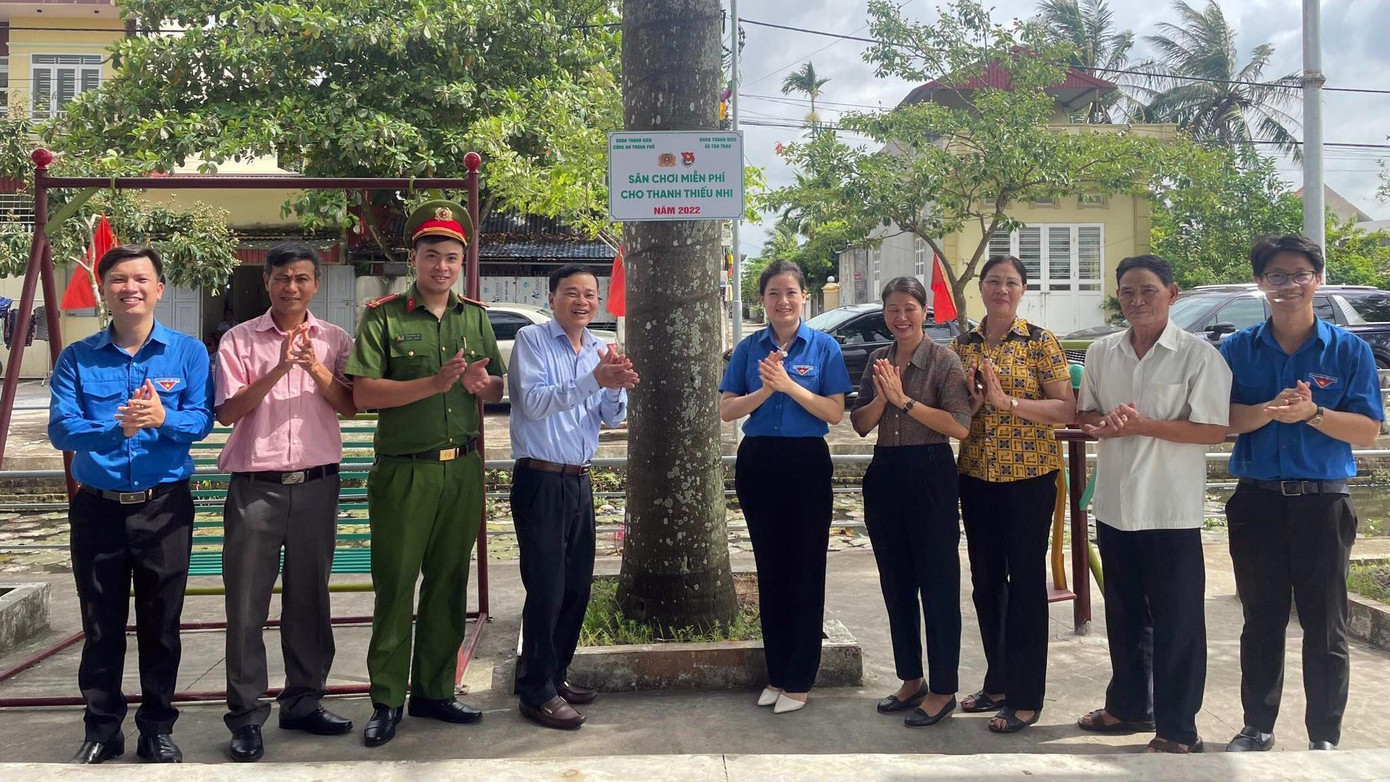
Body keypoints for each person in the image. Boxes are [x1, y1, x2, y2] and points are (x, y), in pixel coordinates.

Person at [345, 200, 506, 747]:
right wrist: (433, 385)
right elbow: (363, 394)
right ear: (413, 258)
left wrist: (482, 387)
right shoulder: (384, 316)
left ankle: (435, 691)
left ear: (463, 262)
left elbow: (496, 387)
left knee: (447, 584)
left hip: (460, 469)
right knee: (395, 587)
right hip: (403, 473)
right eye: (432, 255)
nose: (442, 266)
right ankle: (387, 698)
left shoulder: (475, 316)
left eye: (452, 257)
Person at [49, 245, 213, 764]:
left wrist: (162, 418)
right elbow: (60, 428)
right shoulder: (77, 357)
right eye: (118, 279)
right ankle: (102, 728)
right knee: (101, 622)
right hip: (98, 508)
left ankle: (156, 727)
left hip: (164, 506)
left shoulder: (187, 353)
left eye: (142, 279)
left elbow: (203, 421)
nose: (130, 288)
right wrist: (115, 426)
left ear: (159, 289)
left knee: (162, 624)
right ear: (105, 290)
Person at [1220, 235, 1383, 753]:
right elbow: (1220, 422)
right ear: (1260, 284)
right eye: (1275, 276)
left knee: (1325, 625)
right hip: (1257, 501)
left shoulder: (1348, 349)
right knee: (1260, 619)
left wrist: (1312, 412)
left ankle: (1324, 738)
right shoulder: (1238, 349)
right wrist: (1269, 408)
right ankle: (1257, 725)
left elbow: (1367, 431)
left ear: (1317, 279)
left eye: (1298, 274)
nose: (1288, 285)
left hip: (1323, 503)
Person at [1074, 254, 1232, 754]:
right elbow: (1087, 413)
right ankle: (1127, 708)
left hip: (1170, 509)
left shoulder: (1197, 356)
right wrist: (1101, 423)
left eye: (1148, 291)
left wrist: (1144, 425)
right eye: (1127, 292)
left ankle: (1178, 727)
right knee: (1122, 614)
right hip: (1115, 504)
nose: (1137, 301)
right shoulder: (1102, 352)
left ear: (1172, 293)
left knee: (1177, 621)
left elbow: (1212, 429)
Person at [214, 242, 358, 761]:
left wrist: (313, 368)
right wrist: (277, 369)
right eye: (281, 278)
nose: (291, 287)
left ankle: (304, 701)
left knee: (309, 600)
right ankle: (247, 715)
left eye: (301, 278)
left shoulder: (336, 339)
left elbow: (350, 404)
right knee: (247, 603)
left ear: (316, 284)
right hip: (257, 487)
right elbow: (228, 412)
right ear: (267, 283)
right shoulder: (239, 339)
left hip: (317, 484)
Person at [718, 260, 853, 714]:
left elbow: (834, 414)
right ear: (763, 300)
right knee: (770, 570)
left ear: (803, 298)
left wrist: (789, 385)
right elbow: (728, 411)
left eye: (791, 292)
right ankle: (776, 674)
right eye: (774, 293)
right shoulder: (748, 348)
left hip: (806, 462)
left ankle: (799, 679)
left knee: (806, 569)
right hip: (759, 461)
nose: (783, 301)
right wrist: (766, 389)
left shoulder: (824, 347)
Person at [950, 255, 1076, 734]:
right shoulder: (962, 346)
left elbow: (1065, 409)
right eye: (993, 282)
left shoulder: (1040, 341)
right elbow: (956, 412)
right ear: (981, 289)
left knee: (1025, 585)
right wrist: (978, 404)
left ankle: (1026, 697)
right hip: (977, 475)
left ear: (1023, 290)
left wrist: (1009, 403)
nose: (1001, 289)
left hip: (1029, 477)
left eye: (1011, 282)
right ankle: (998, 682)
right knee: (986, 584)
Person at [509, 264, 637, 730]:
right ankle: (536, 691)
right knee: (546, 588)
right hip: (540, 479)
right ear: (551, 298)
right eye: (571, 293)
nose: (581, 301)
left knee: (578, 586)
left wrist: (616, 383)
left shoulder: (599, 348)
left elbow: (608, 418)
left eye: (589, 294)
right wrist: (595, 380)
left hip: (579, 480)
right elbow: (534, 402)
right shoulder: (532, 341)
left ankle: (557, 675)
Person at [850, 277, 971, 728]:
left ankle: (943, 688)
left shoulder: (944, 361)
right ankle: (911, 679)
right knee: (896, 583)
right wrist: (883, 398)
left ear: (926, 311)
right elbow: (861, 423)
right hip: (886, 472)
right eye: (893, 309)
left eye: (909, 308)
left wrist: (903, 402)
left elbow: (959, 426)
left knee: (937, 584)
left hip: (931, 472)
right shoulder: (878, 360)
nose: (901, 317)